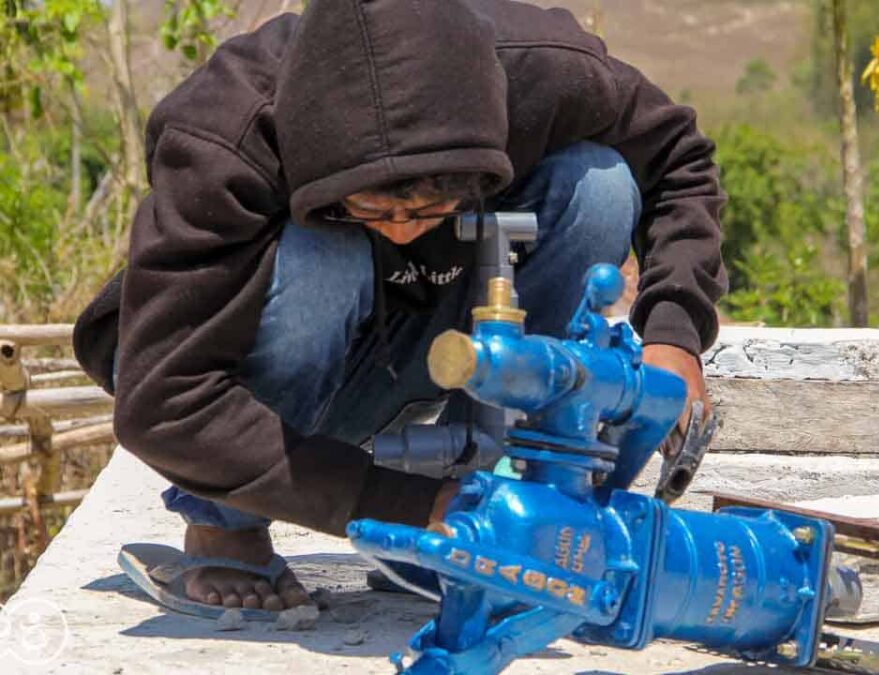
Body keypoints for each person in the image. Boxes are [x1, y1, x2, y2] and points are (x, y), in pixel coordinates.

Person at [73, 0, 727, 614]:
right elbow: (161, 402)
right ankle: (227, 528)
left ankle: (472, 499)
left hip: (453, 336)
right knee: (325, 259)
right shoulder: (224, 135)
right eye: (374, 208)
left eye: (431, 206)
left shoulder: (538, 72)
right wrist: (404, 502)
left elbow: (678, 158)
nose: (406, 226)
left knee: (602, 184)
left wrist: (673, 331)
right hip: (286, 378)